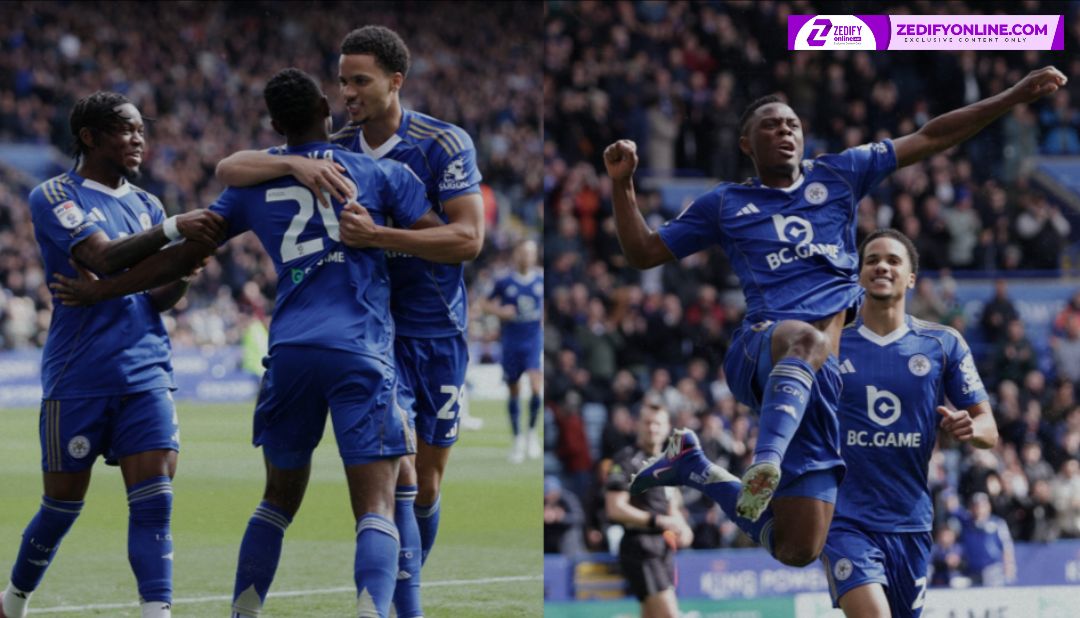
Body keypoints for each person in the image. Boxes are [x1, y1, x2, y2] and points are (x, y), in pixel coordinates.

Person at [615, 66, 1066, 567]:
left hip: (822, 382)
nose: (784, 130)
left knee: (798, 547)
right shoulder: (725, 204)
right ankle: (765, 462)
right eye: (770, 125)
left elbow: (931, 135)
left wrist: (1013, 96)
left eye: (791, 124)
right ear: (746, 143)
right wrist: (622, 184)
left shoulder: (839, 173)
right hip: (763, 349)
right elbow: (642, 252)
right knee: (806, 340)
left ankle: (696, 468)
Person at [50, 68, 438, 618]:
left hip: (291, 353)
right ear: (327, 109)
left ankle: (242, 614)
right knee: (377, 506)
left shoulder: (250, 184)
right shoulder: (381, 174)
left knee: (277, 500)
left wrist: (106, 289)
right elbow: (442, 240)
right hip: (360, 347)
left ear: (275, 126)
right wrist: (378, 238)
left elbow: (190, 251)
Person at [214, 26, 484, 618]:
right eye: (340, 82)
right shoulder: (339, 148)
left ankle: (398, 592)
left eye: (359, 81)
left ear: (396, 82)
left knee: (426, 488)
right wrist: (292, 162)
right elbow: (233, 165)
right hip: (372, 330)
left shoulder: (442, 142)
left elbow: (468, 238)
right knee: (401, 478)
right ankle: (398, 610)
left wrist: (378, 235)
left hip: (434, 327)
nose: (347, 93)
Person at [0, 91, 225, 618]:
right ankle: (13, 602)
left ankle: (157, 612)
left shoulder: (146, 203)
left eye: (141, 130)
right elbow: (102, 259)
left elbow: (156, 295)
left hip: (145, 368)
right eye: (127, 130)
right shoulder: (55, 194)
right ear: (90, 137)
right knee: (61, 507)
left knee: (155, 503)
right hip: (80, 373)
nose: (139, 139)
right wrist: (173, 233)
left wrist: (184, 274)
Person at [819, 229, 997, 617]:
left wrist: (971, 429)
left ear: (911, 277)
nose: (882, 265)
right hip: (846, 519)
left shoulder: (942, 343)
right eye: (872, 260)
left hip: (910, 522)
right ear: (860, 275)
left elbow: (989, 429)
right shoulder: (830, 344)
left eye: (894, 260)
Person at [605, 402, 692, 618]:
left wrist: (683, 528)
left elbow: (672, 506)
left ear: (667, 427)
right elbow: (614, 508)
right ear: (637, 425)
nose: (652, 428)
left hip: (662, 549)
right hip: (640, 547)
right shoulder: (626, 460)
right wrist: (659, 521)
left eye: (657, 423)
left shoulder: (670, 463)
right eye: (647, 422)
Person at [486, 239, 544, 463]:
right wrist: (500, 311)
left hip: (533, 340)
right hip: (511, 340)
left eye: (530, 253)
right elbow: (485, 303)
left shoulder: (541, 279)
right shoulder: (504, 281)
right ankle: (518, 438)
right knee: (514, 389)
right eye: (522, 253)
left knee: (537, 385)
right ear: (516, 255)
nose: (526, 257)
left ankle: (531, 433)